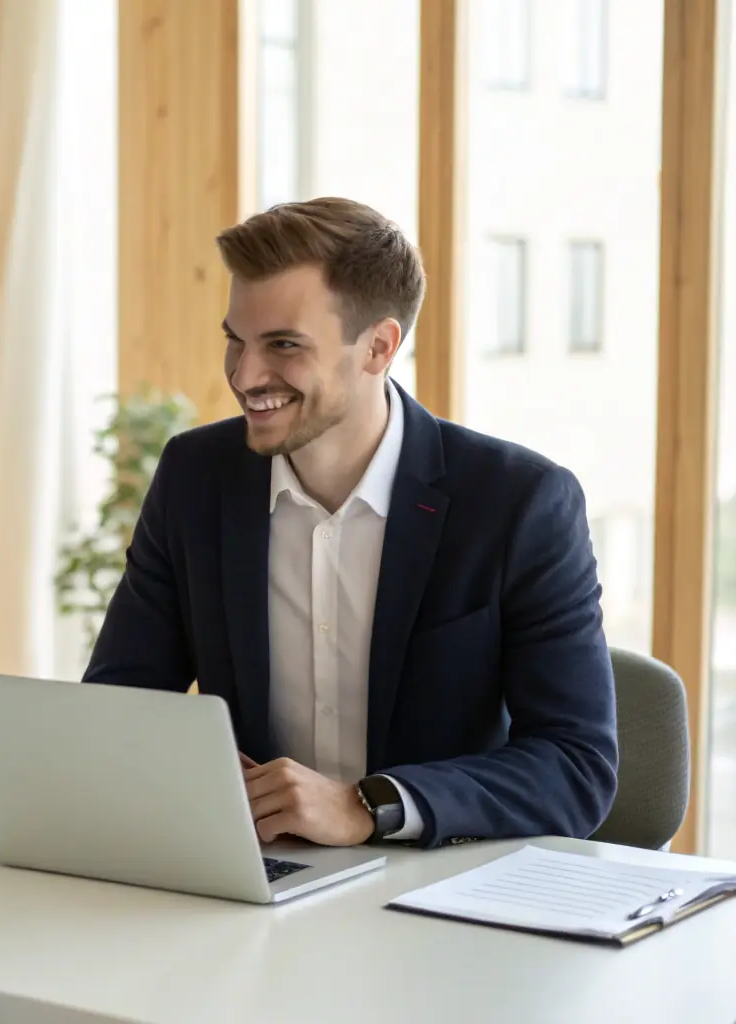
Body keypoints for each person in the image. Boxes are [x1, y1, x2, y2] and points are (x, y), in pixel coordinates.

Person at [85, 198, 618, 849]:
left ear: (377, 347)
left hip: (438, 889)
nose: (245, 375)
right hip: (260, 877)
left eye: (283, 345)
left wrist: (370, 806)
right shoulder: (196, 477)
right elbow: (118, 703)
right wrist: (186, 771)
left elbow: (574, 766)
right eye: (235, 340)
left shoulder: (518, 503)